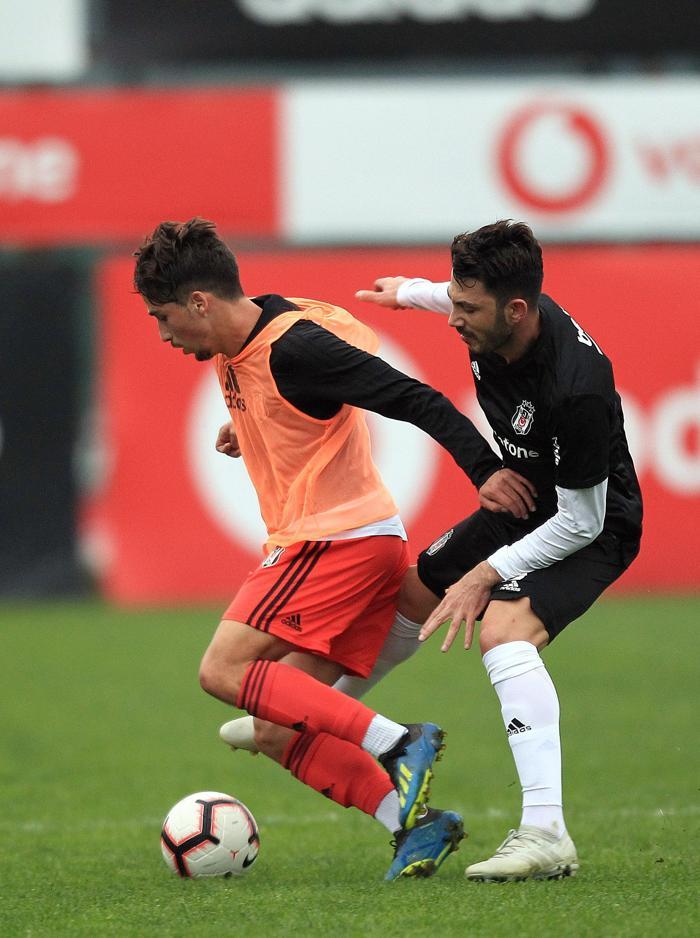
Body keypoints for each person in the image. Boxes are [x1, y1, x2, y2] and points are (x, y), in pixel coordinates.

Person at [133, 217, 536, 881]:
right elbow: (338, 351)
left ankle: (398, 741)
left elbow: (411, 396)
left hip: (335, 541)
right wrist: (249, 421)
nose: (163, 334)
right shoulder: (258, 334)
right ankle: (414, 826)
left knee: (222, 670)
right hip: (352, 544)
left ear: (199, 302)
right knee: (275, 728)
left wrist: (485, 470)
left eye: (163, 316)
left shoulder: (297, 347)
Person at [348, 219, 643, 882]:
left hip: (594, 525)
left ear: (515, 310)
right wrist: (409, 292)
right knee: (413, 592)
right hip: (524, 500)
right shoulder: (493, 315)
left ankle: (546, 832)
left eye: (468, 309)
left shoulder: (576, 386)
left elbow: (583, 521)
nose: (456, 319)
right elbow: (451, 298)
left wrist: (488, 572)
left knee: (504, 630)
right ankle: (315, 718)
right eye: (454, 300)